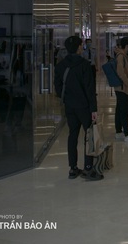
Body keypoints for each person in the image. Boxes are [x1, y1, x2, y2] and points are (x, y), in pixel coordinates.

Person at [54, 36, 102, 180]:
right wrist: (94, 109)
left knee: (72, 135)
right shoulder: (84, 65)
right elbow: (89, 88)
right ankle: (88, 168)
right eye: (81, 45)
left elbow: (57, 87)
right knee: (89, 137)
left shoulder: (61, 66)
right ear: (79, 47)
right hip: (84, 106)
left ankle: (73, 168)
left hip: (69, 106)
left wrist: (67, 98)